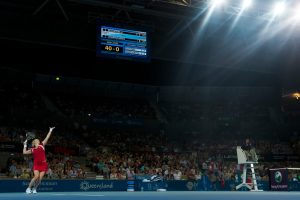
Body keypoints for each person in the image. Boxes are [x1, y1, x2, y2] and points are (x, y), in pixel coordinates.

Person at [23, 127, 55, 194]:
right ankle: (28, 188)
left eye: (38, 140)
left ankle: (34, 189)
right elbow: (24, 152)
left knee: (40, 179)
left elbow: (47, 137)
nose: (38, 140)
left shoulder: (42, 145)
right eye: (36, 140)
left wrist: (50, 130)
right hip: (36, 164)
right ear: (34, 143)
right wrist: (25, 145)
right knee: (36, 176)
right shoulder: (32, 149)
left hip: (43, 164)